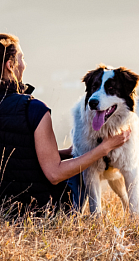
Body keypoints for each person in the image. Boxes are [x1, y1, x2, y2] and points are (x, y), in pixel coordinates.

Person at [0, 33, 131, 217]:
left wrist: (66, 153)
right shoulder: (34, 109)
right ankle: (88, 216)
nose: (25, 64)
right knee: (81, 168)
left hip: (3, 210)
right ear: (10, 66)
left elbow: (14, 155)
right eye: (22, 58)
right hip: (39, 212)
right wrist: (103, 148)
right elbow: (54, 174)